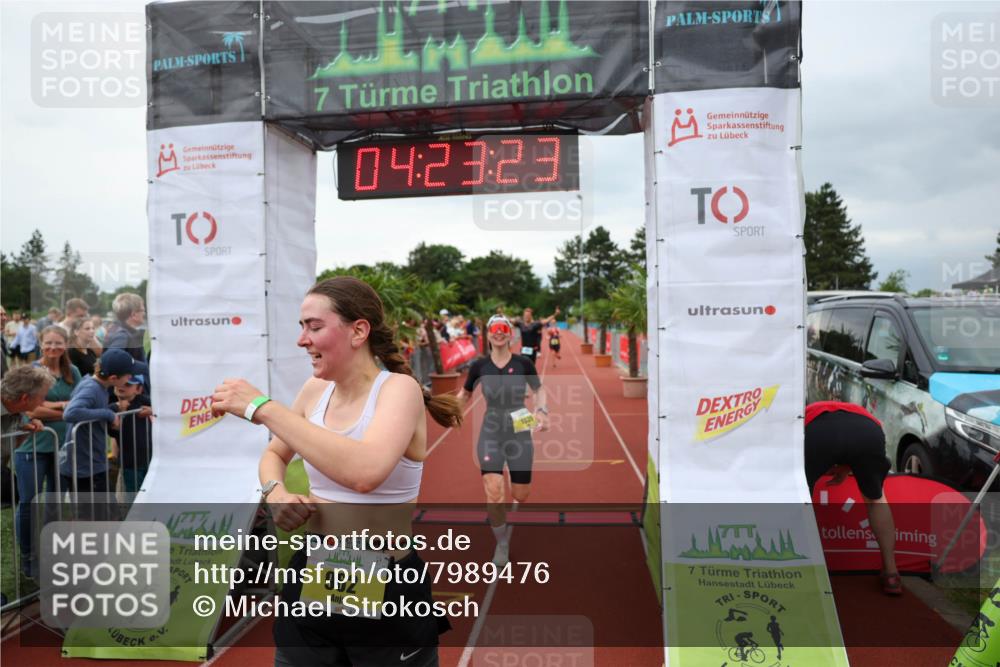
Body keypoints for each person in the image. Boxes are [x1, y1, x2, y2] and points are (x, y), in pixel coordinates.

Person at [210, 276, 462, 667]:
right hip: (313, 572)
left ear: (358, 331)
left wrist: (261, 407)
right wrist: (277, 493)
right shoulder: (314, 391)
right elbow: (273, 454)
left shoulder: (399, 390)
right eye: (301, 327)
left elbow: (365, 472)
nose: (302, 340)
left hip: (387, 581)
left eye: (314, 327)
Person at [456, 314, 549, 566]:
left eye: (503, 328)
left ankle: (514, 473)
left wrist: (542, 411)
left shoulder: (523, 363)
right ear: (488, 334)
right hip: (492, 428)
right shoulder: (479, 366)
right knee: (494, 491)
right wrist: (449, 411)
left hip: (520, 422)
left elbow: (539, 389)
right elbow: (464, 395)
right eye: (494, 328)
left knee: (521, 494)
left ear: (510, 334)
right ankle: (502, 545)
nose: (499, 332)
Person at [804, 400, 901, 595]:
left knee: (802, 499)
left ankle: (804, 569)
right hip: (867, 432)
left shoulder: (807, 413)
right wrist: (846, 467)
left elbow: (835, 438)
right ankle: (891, 573)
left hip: (817, 432)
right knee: (876, 499)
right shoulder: (861, 415)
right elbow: (849, 440)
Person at [18, 326, 80, 575]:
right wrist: (64, 408)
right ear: (41, 343)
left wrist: (51, 407)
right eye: (48, 343)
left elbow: (79, 404)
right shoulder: (31, 372)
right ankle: (27, 556)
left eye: (58, 343)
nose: (53, 347)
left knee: (54, 503)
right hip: (31, 447)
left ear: (66, 344)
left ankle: (48, 553)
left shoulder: (72, 371)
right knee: (29, 503)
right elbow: (30, 410)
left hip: (62, 448)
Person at [60, 349, 135, 494]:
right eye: (128, 375)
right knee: (99, 508)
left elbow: (90, 409)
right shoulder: (92, 388)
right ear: (113, 378)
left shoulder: (95, 385)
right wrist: (108, 414)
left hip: (92, 463)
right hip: (85, 468)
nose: (130, 378)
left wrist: (112, 409)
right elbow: (71, 412)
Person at [1, 366, 52, 508]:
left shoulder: (17, 408)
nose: (43, 402)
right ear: (25, 398)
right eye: (42, 397)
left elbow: (8, 447)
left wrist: (27, 432)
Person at [109, 374, 152, 494]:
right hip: (130, 463)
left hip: (150, 459)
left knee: (150, 493)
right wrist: (122, 411)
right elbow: (113, 431)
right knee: (133, 496)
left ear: (139, 389)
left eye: (128, 385)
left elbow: (162, 407)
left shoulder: (143, 401)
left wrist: (152, 411)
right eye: (119, 383)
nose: (122, 386)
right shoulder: (112, 408)